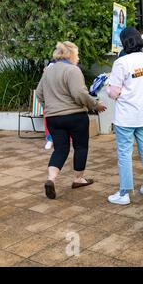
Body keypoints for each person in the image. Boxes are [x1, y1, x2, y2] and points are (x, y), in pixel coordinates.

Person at [36, 41, 106, 199]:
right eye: (77, 54)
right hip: (74, 116)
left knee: (60, 149)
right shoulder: (72, 70)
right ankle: (78, 179)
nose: (78, 57)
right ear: (70, 54)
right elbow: (79, 94)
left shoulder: (48, 71)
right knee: (80, 147)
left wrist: (51, 107)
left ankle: (51, 179)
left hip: (53, 118)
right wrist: (95, 105)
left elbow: (39, 94)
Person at [106, 27, 143, 205]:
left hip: (126, 116)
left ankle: (124, 193)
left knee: (125, 154)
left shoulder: (121, 63)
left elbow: (113, 93)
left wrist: (107, 87)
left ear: (124, 42)